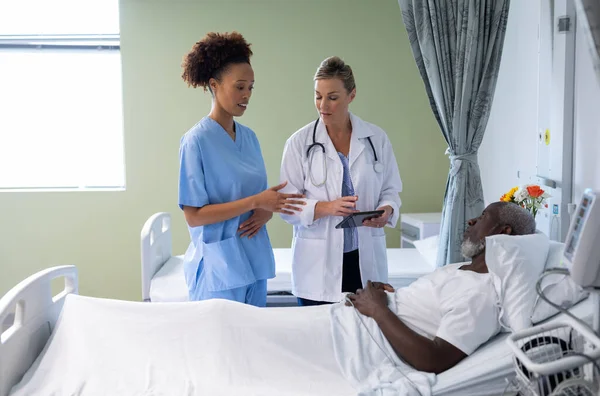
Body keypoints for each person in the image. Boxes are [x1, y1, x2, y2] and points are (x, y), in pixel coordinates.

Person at [178, 31, 305, 306]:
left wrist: (265, 211)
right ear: (214, 84)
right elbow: (194, 216)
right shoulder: (196, 142)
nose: (247, 94)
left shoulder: (250, 138)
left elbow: (260, 200)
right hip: (219, 268)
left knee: (252, 346)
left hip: (253, 261)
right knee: (219, 348)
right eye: (239, 87)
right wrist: (257, 201)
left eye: (251, 87)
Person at [344, 201, 537, 374]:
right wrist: (387, 296)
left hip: (358, 339)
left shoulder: (481, 294)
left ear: (504, 232)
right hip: (354, 319)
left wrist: (378, 309)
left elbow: (433, 359)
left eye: (483, 216)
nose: (471, 221)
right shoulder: (459, 269)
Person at [279, 56, 403, 306]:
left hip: (365, 261)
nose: (323, 105)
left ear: (352, 95)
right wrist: (326, 208)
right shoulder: (299, 143)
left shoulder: (376, 138)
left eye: (332, 97)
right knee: (319, 341)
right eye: (318, 96)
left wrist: (386, 210)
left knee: (365, 340)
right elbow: (286, 205)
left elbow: (391, 189)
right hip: (317, 268)